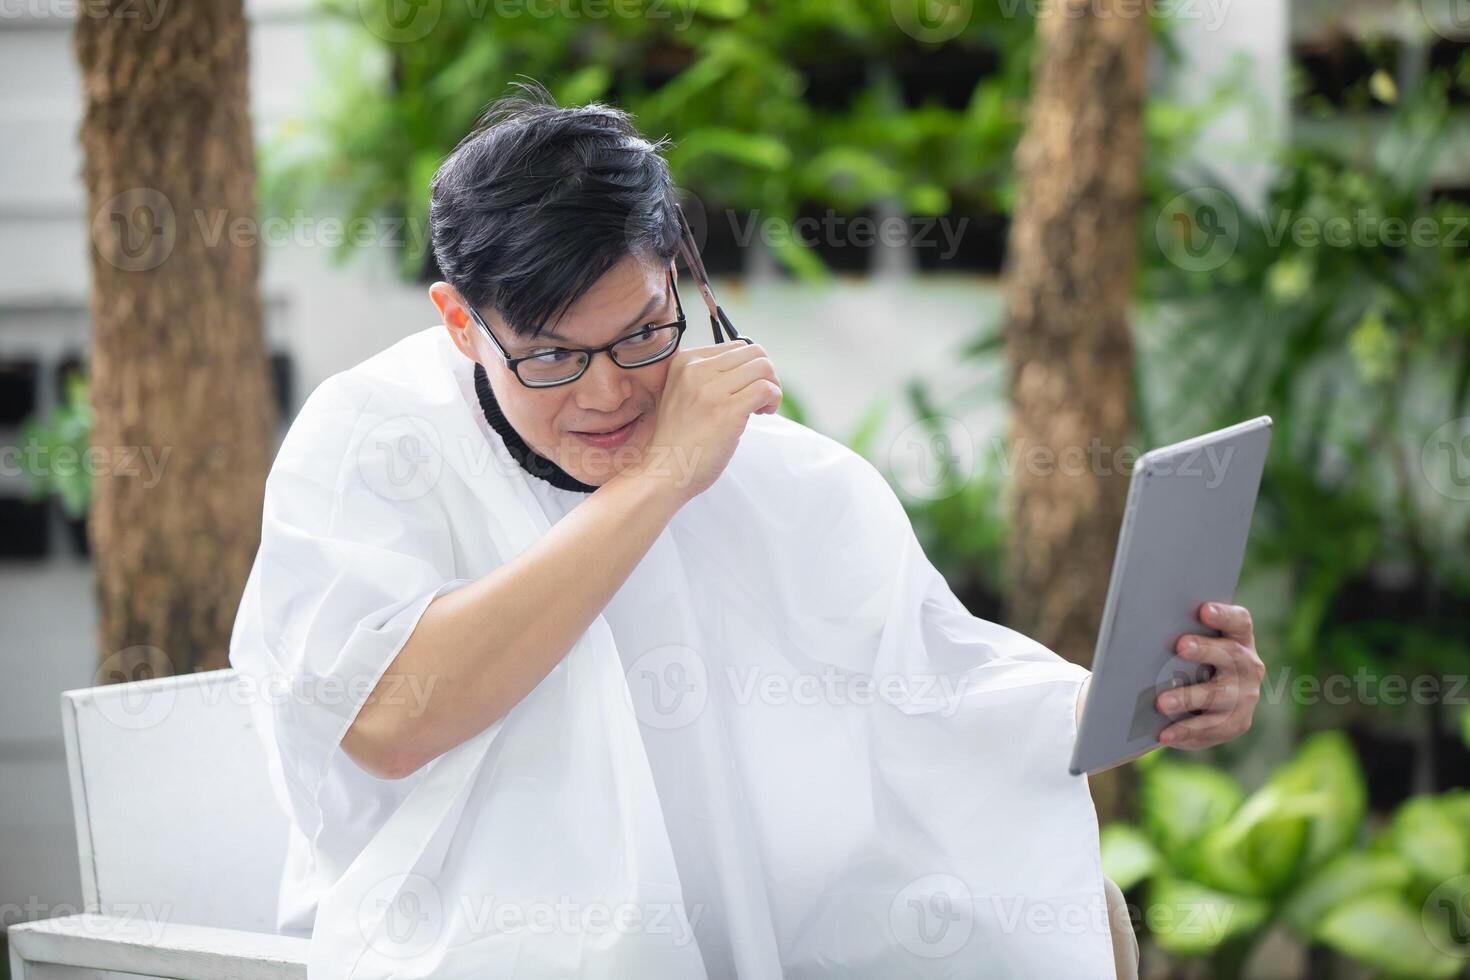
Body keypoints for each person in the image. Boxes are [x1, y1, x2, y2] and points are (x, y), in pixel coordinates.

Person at [229, 82, 1265, 980]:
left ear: (682, 272)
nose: (608, 391)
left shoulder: (781, 471)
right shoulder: (373, 440)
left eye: (643, 331)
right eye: (553, 356)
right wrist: (658, 480)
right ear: (460, 321)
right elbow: (386, 720)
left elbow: (936, 687)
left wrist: (1145, 692)